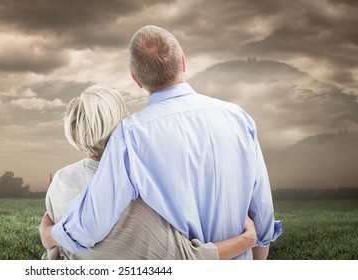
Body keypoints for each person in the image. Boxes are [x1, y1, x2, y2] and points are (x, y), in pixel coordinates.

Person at [40, 25, 281, 260]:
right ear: (183, 62)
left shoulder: (130, 135)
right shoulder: (238, 117)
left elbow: (92, 223)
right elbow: (261, 208)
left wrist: (51, 234)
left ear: (136, 80)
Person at [41, 85, 256, 260]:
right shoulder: (144, 187)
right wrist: (247, 239)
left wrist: (50, 235)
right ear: (123, 122)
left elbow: (57, 251)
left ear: (75, 132)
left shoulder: (60, 181)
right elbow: (190, 261)